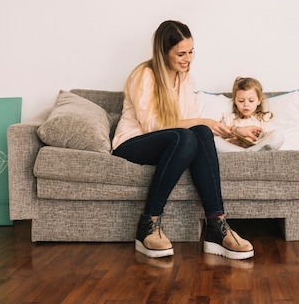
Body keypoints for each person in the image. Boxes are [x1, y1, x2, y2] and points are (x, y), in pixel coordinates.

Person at [112, 20, 254, 260]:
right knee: (189, 135)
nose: (187, 58)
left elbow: (189, 120)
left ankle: (216, 225)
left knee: (200, 133)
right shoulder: (144, 75)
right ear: (164, 52)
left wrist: (229, 131)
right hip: (132, 143)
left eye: (190, 52)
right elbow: (151, 125)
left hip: (172, 141)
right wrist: (202, 122)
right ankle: (148, 223)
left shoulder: (184, 77)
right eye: (181, 53)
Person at [216, 77, 285, 152]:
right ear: (235, 101)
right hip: (234, 149)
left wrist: (251, 139)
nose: (246, 104)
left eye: (251, 101)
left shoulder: (263, 118)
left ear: (259, 101)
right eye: (241, 101)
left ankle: (248, 152)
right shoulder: (229, 119)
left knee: (278, 136)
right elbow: (221, 135)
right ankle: (248, 153)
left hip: (257, 146)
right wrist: (233, 140)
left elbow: (267, 137)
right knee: (214, 140)